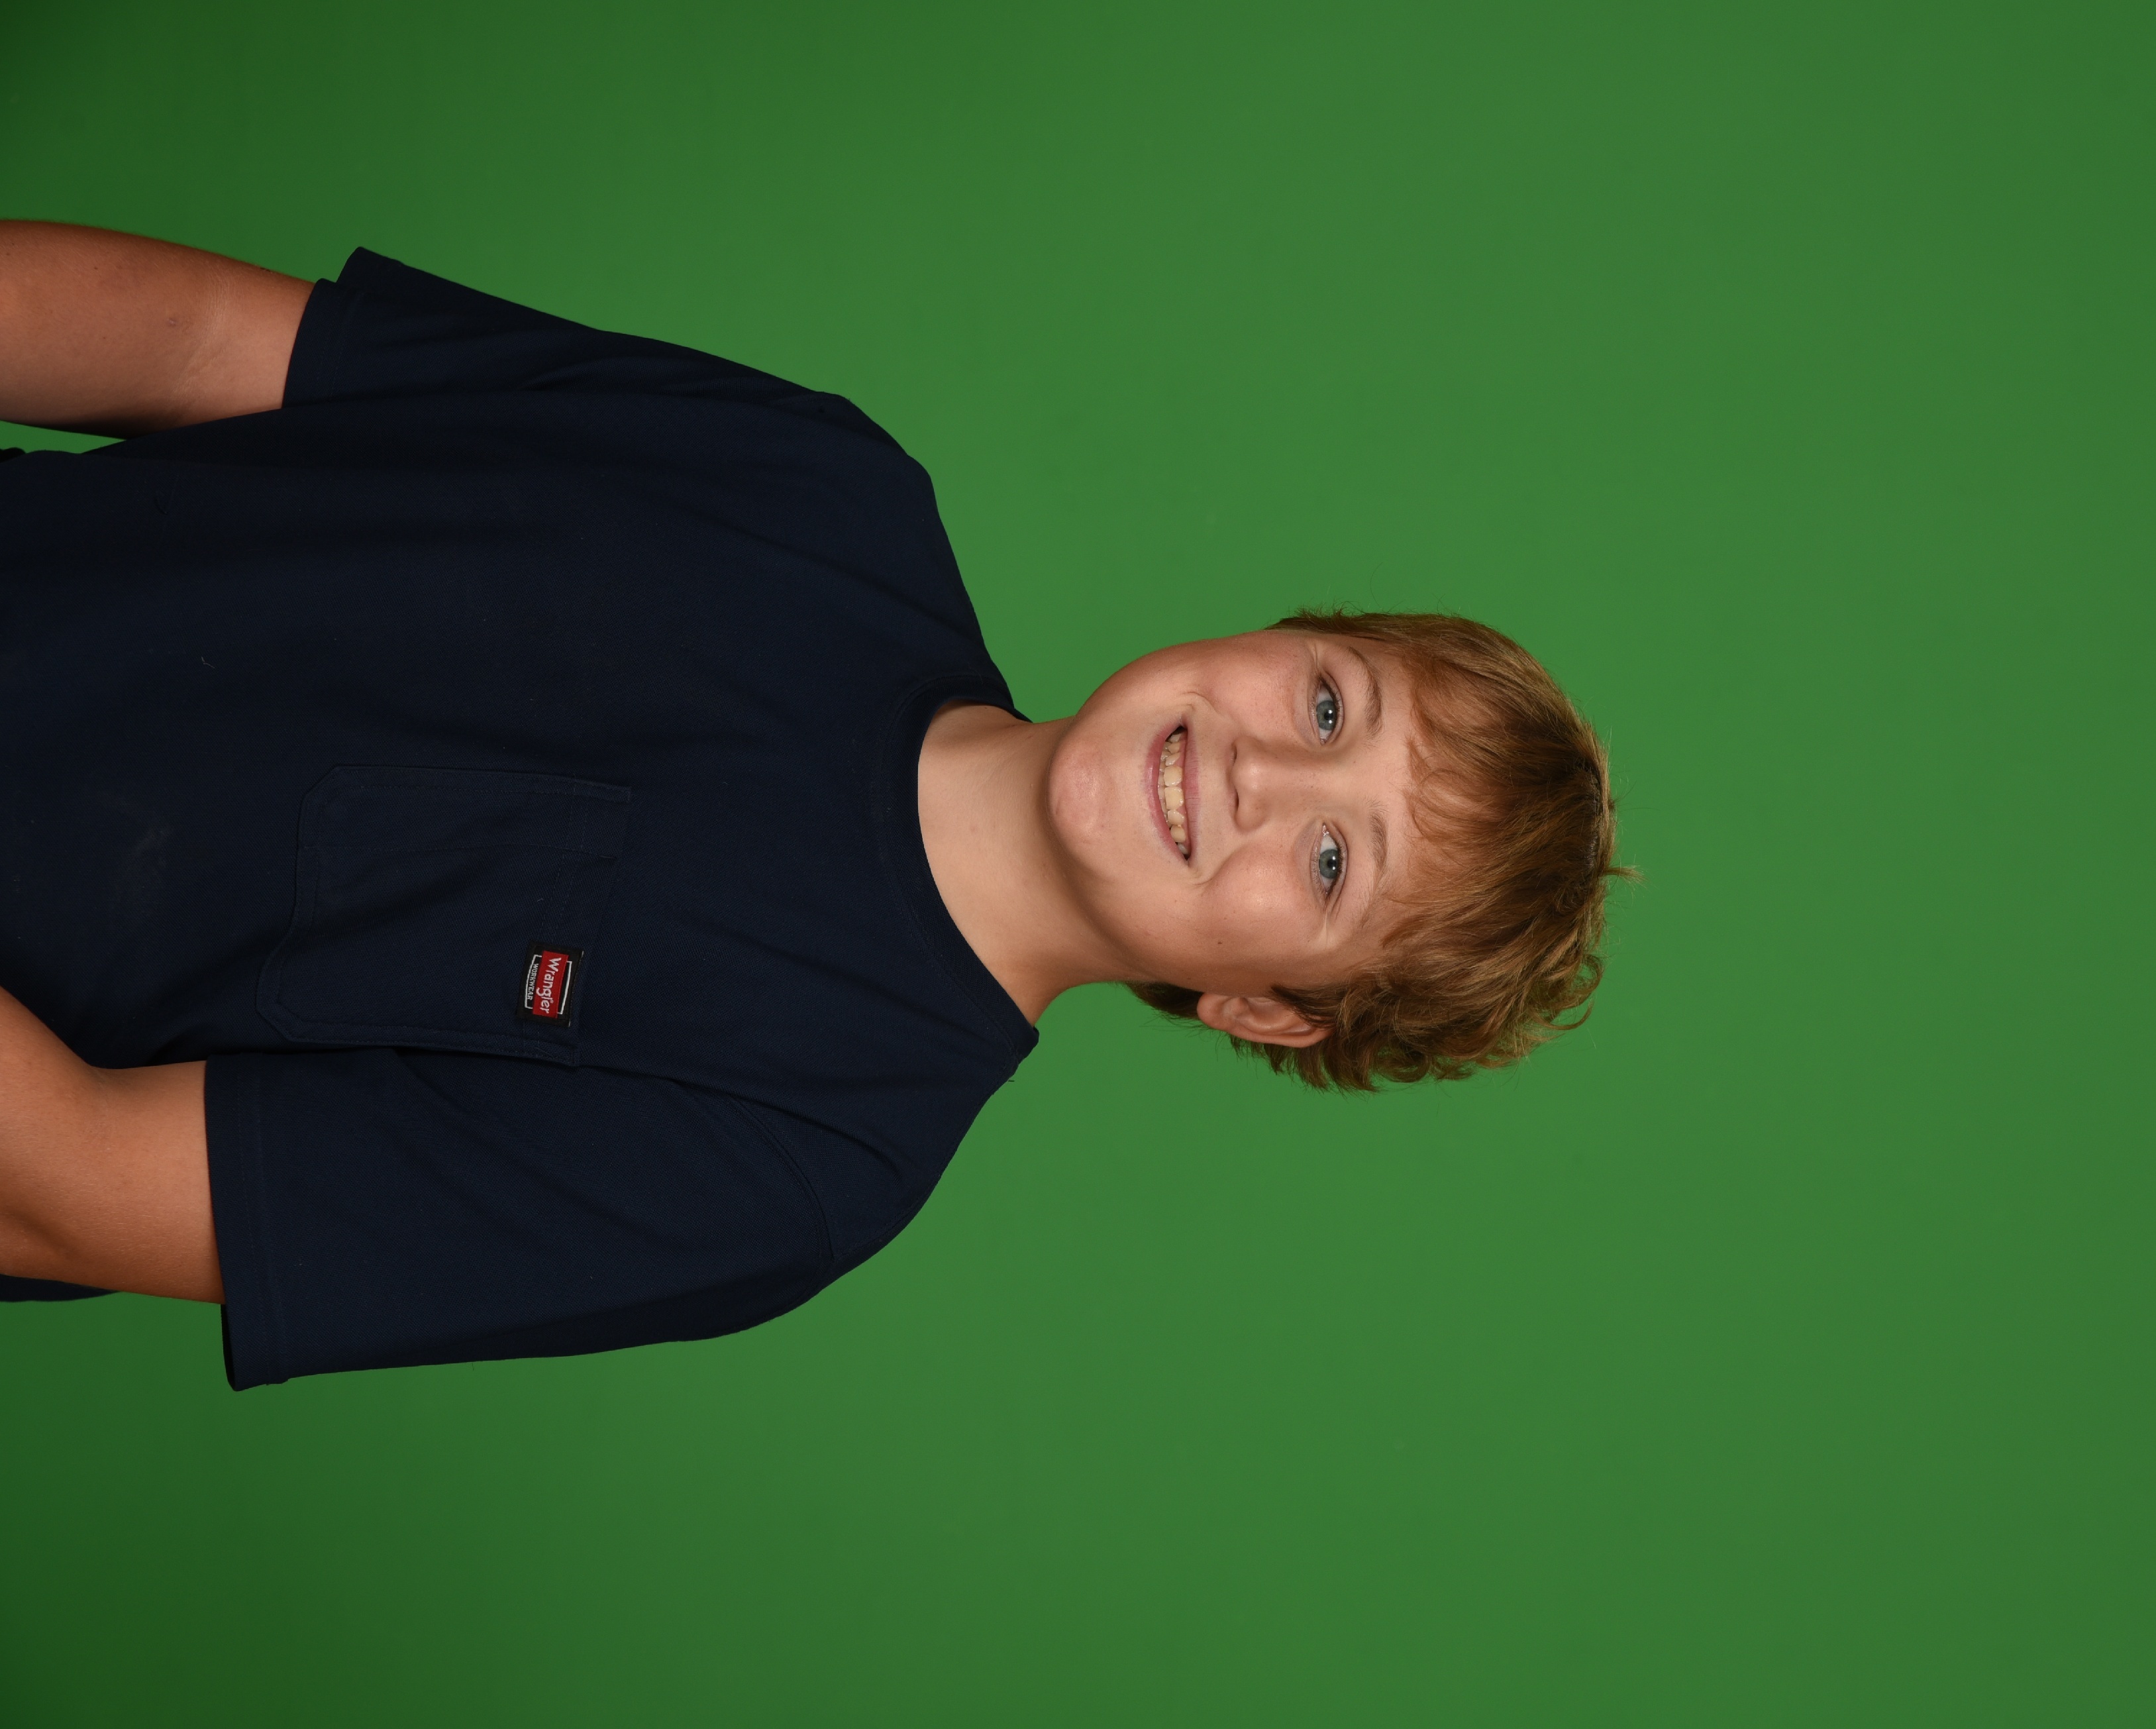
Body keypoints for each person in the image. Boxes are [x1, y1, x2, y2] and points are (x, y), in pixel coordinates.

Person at [0, 223, 1621, 1387]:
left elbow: (70, 1191)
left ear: (1264, 1008)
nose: (1264, 772)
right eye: (1330, 704)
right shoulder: (821, 485)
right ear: (1288, 632)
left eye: (1332, 862)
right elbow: (198, 345)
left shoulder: (801, 1167)